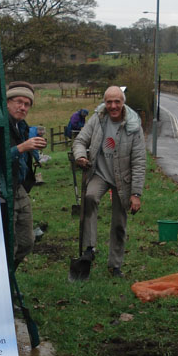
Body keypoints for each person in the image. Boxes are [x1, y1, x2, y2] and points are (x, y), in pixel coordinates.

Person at [73, 86, 146, 278]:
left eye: (117, 102)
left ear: (123, 102)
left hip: (123, 179)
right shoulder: (97, 119)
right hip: (100, 173)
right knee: (89, 197)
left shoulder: (133, 126)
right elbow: (80, 140)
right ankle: (89, 248)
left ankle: (115, 266)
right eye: (109, 102)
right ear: (104, 103)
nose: (113, 106)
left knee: (119, 223)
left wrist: (136, 194)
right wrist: (80, 156)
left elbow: (139, 162)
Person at [7, 81, 47, 269]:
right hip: (3, 190)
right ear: (7, 102)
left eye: (27, 104)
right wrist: (22, 147)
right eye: (18, 101)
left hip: (20, 188)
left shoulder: (21, 126)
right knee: (10, 245)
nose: (22, 107)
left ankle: (9, 278)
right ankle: (6, 289)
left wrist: (34, 149)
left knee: (27, 242)